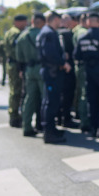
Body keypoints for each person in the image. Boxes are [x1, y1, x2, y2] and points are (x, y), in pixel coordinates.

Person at [37, 11, 71, 144]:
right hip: (52, 72)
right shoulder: (49, 33)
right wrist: (63, 63)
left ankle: (51, 129)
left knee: (50, 101)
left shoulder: (46, 31)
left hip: (50, 72)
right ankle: (49, 132)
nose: (61, 23)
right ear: (55, 19)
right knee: (51, 102)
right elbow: (49, 53)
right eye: (60, 20)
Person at [17, 13, 45, 137]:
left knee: (29, 99)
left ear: (32, 21)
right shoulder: (43, 34)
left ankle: (26, 126)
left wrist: (21, 70)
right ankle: (44, 125)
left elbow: (19, 57)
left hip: (29, 69)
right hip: (42, 68)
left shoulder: (22, 36)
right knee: (45, 98)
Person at [2, 15, 28, 127]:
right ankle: (14, 117)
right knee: (17, 91)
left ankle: (14, 115)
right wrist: (20, 66)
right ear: (19, 22)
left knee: (14, 90)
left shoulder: (10, 32)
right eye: (24, 23)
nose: (26, 25)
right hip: (16, 64)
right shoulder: (16, 33)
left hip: (12, 63)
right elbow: (17, 50)